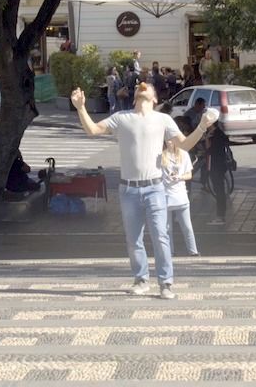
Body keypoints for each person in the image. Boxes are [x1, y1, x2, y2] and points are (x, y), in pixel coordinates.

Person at [71, 82, 217, 300]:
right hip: (128, 189)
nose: (142, 85)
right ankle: (141, 280)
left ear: (155, 98)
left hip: (155, 187)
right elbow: (92, 130)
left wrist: (202, 126)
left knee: (161, 236)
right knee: (133, 239)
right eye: (140, 86)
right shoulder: (122, 118)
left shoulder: (163, 119)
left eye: (147, 86)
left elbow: (185, 145)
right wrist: (80, 107)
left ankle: (165, 283)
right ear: (134, 98)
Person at [161, 138, 199, 256]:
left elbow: (189, 174)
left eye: (171, 139)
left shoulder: (183, 154)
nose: (169, 142)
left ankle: (193, 251)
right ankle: (170, 252)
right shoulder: (160, 156)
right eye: (167, 140)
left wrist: (180, 177)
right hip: (165, 195)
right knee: (167, 229)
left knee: (187, 226)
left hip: (180, 194)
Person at [206, 125, 232, 225]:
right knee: (219, 190)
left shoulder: (215, 135)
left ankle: (220, 216)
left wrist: (208, 139)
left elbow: (210, 151)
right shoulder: (219, 133)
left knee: (219, 190)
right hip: (219, 166)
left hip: (216, 166)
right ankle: (220, 216)